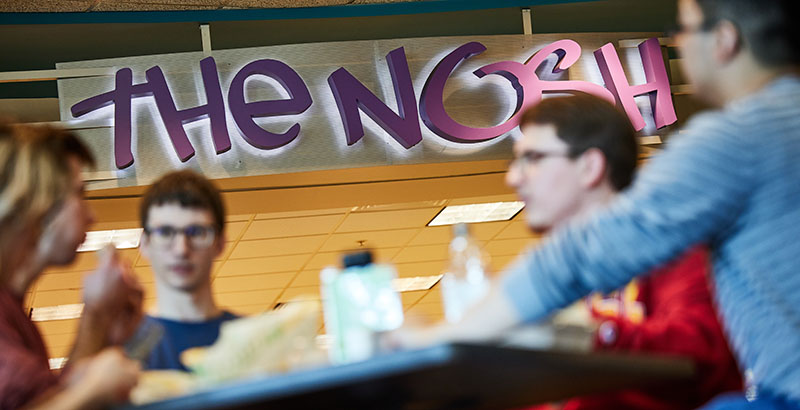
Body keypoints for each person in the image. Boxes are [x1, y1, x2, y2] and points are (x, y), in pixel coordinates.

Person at [391, 0, 800, 407]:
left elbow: (576, 260)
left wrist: (446, 336)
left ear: (725, 39)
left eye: (684, 27)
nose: (513, 177)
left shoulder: (739, 141)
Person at [510, 94, 740, 409]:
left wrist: (594, 334)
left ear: (590, 167)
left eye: (533, 158)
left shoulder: (671, 250)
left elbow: (701, 351)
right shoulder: (551, 273)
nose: (513, 178)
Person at [0, 121, 142, 409]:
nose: (91, 216)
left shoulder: (13, 312)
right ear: (37, 203)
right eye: (79, 194)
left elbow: (47, 400)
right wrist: (92, 391)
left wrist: (99, 317)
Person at [136, 170, 238, 371]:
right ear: (145, 244)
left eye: (197, 232)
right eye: (165, 232)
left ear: (220, 243)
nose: (182, 249)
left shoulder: (256, 340)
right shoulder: (126, 354)